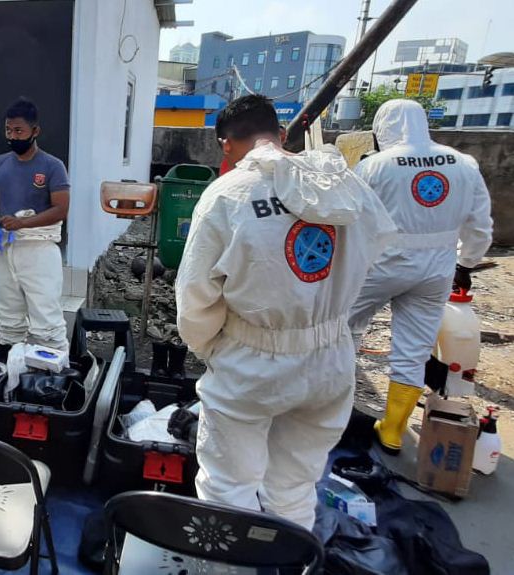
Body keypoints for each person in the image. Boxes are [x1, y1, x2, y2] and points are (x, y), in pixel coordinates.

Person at [175, 95, 396, 529]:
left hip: (251, 359)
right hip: (329, 360)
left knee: (228, 486)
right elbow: (377, 254)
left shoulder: (228, 194)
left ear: (226, 146)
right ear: (279, 135)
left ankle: (231, 560)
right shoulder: (347, 187)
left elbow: (196, 294)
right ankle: (290, 557)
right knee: (295, 486)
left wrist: (212, 349)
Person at [349, 99, 493, 454]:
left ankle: (334, 412)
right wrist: (467, 264)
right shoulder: (464, 164)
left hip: (379, 265)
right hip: (437, 269)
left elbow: (350, 217)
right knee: (413, 350)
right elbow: (480, 226)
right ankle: (393, 431)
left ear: (384, 127)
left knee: (342, 329)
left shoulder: (374, 166)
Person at [0, 98, 71, 353]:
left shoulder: (52, 166)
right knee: (7, 317)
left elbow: (61, 209)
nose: (12, 136)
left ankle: (51, 375)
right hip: (3, 249)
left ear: (35, 131)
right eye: (8, 130)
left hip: (38, 250)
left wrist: (22, 223)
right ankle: (14, 367)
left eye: (18, 131)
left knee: (46, 319)